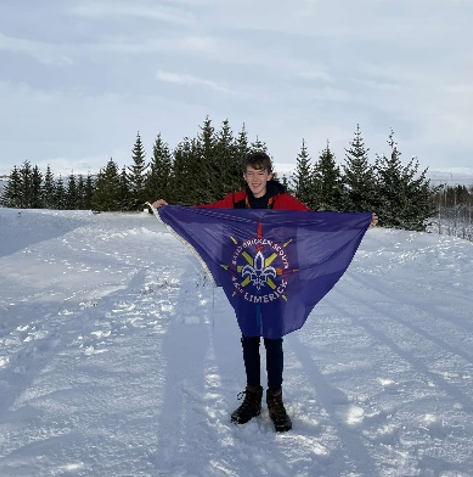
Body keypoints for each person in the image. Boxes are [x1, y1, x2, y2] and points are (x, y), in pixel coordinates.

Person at [153, 152, 377, 432]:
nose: (256, 179)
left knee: (272, 337)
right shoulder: (234, 202)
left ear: (270, 175)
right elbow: (203, 213)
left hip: (278, 280)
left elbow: (318, 222)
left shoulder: (284, 203)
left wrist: (355, 223)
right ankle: (252, 396)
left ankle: (275, 399)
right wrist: (171, 209)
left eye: (261, 173)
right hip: (245, 279)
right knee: (249, 336)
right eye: (250, 173)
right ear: (244, 176)